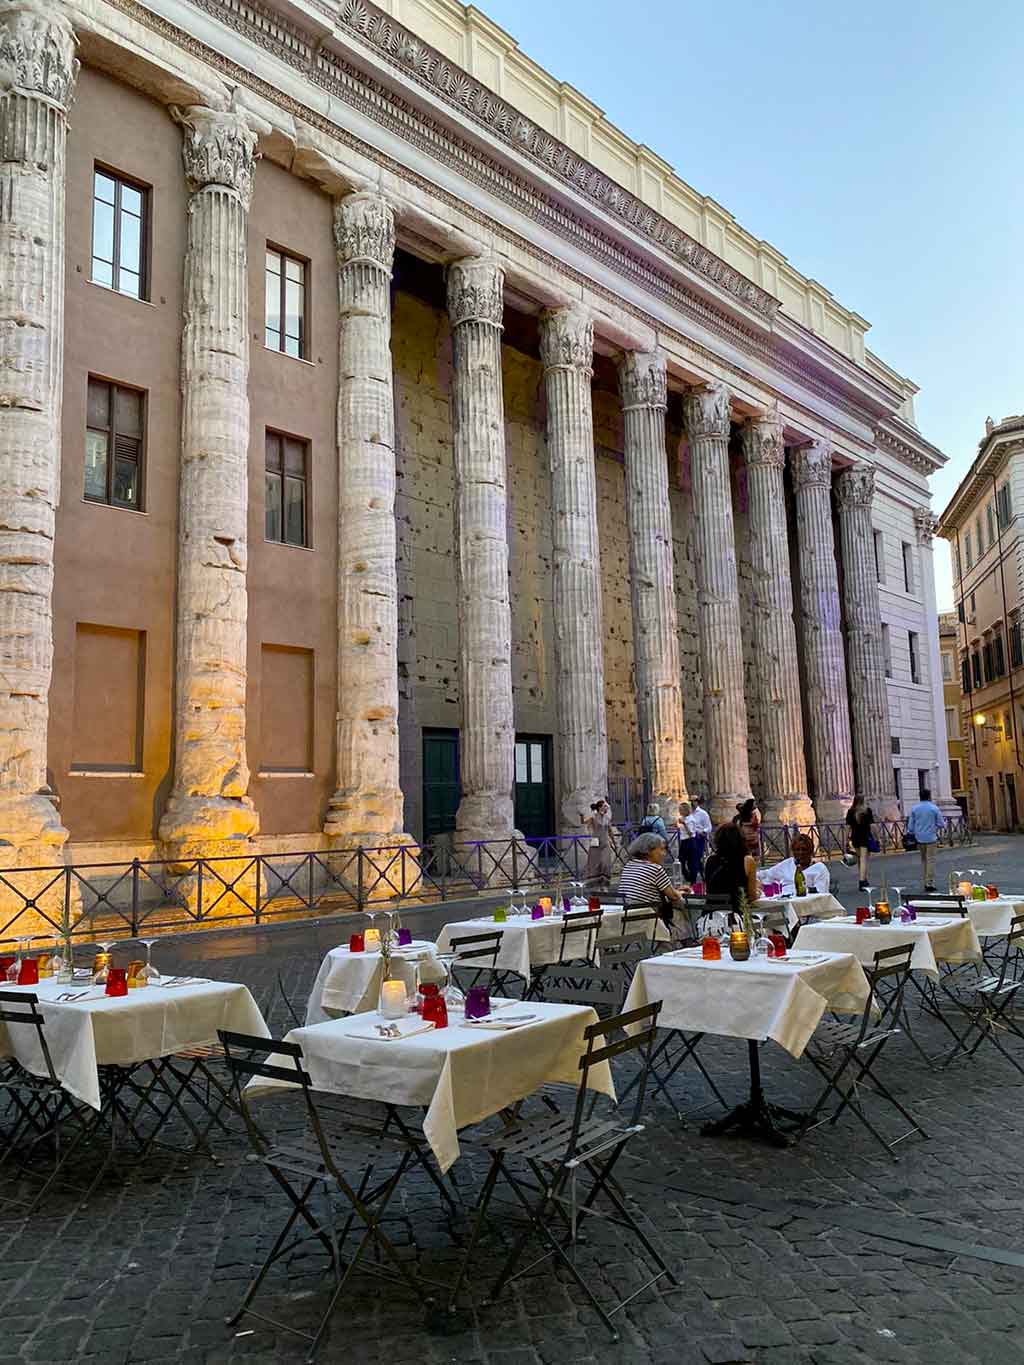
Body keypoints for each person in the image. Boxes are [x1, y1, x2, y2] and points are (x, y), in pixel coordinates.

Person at [617, 832, 689, 929]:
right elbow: (673, 896)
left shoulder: (629, 865)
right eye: (661, 849)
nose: (664, 854)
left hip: (625, 914)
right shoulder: (655, 869)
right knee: (682, 906)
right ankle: (686, 937)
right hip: (646, 915)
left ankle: (667, 942)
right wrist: (681, 892)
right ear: (648, 851)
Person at [704, 822, 761, 914]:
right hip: (736, 917)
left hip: (711, 918)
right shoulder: (747, 861)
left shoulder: (709, 860)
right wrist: (758, 892)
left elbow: (711, 889)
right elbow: (752, 897)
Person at [758, 832, 830, 897]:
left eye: (804, 849)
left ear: (810, 851)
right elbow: (766, 874)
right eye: (797, 850)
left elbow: (821, 893)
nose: (800, 853)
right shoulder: (787, 864)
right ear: (793, 851)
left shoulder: (819, 868)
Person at [905, 789, 946, 893]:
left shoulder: (915, 808)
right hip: (931, 838)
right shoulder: (934, 808)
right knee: (931, 860)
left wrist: (913, 832)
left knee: (924, 860)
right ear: (929, 796)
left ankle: (925, 880)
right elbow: (941, 824)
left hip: (919, 838)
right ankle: (929, 883)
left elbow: (910, 826)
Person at [845, 796, 877, 892]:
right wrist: (876, 837)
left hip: (855, 837)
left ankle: (864, 878)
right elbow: (872, 826)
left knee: (860, 859)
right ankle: (862, 881)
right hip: (865, 836)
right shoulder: (867, 811)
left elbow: (847, 827)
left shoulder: (850, 811)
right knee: (863, 859)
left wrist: (846, 839)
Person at [582, 798, 615, 887]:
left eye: (606, 806)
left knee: (605, 862)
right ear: (600, 807)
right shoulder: (593, 817)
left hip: (605, 842)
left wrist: (614, 842)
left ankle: (604, 881)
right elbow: (584, 822)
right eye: (604, 806)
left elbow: (610, 831)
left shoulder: (607, 818)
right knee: (595, 863)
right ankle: (595, 882)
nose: (606, 808)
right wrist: (582, 815)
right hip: (596, 843)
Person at [676, 801, 704, 884]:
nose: (679, 811)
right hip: (684, 841)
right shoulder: (683, 818)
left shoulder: (690, 819)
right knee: (681, 860)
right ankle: (688, 876)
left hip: (690, 841)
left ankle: (693, 880)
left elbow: (691, 833)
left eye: (681, 810)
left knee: (692, 861)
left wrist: (684, 824)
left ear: (685, 810)